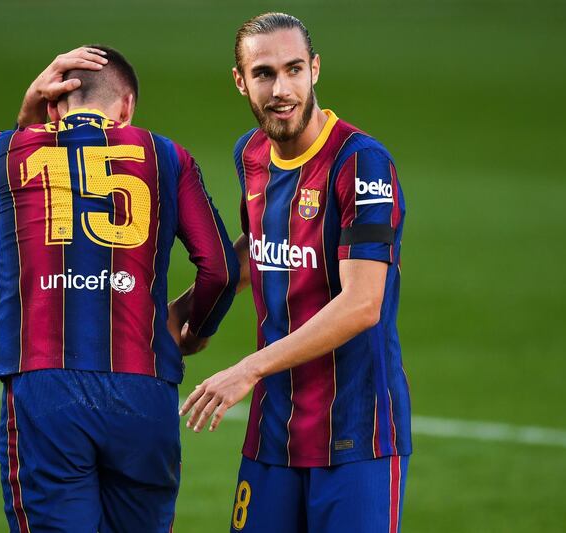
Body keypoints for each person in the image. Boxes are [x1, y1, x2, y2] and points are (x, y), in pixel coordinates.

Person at [0, 45, 239, 533]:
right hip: (143, 390)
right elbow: (221, 270)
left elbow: (5, 196)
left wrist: (27, 110)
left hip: (46, 389)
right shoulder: (167, 156)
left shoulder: (9, 153)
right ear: (127, 107)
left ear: (53, 104)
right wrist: (195, 330)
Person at [175, 12, 412, 533]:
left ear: (316, 70)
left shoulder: (361, 162)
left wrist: (248, 369)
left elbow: (362, 303)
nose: (281, 89)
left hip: (358, 435)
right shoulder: (252, 154)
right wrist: (181, 315)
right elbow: (258, 246)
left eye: (294, 69)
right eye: (263, 73)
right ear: (240, 81)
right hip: (273, 434)